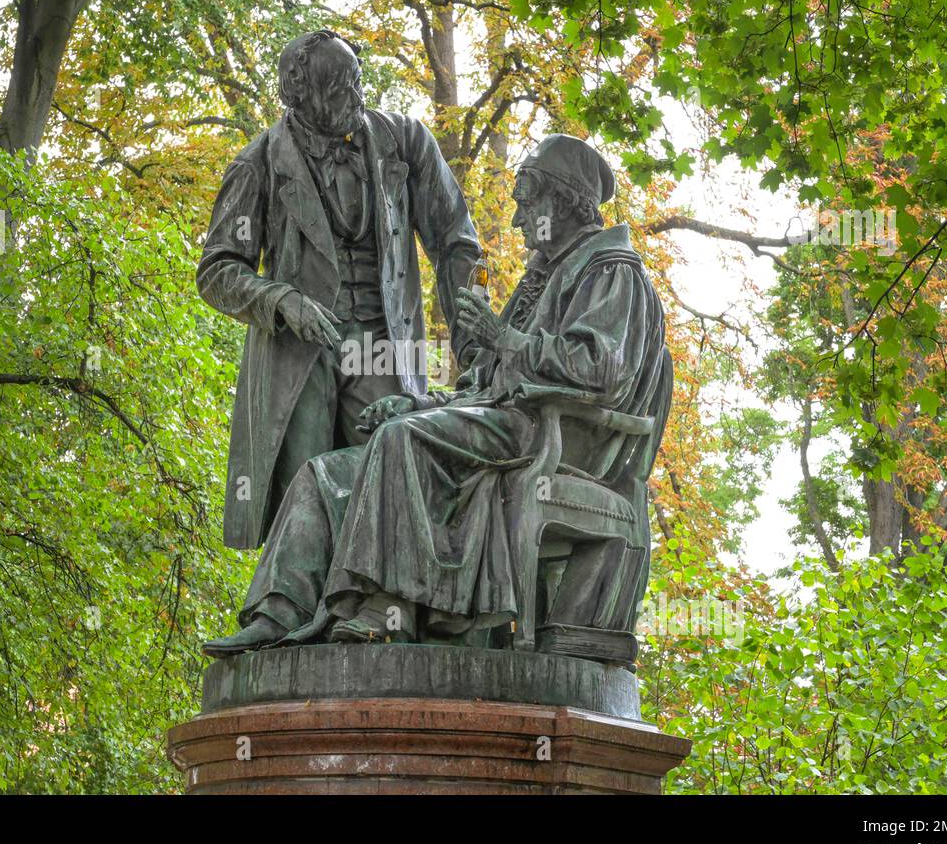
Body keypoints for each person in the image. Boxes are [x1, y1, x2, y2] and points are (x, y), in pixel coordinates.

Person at [204, 134, 669, 656]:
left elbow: (601, 366)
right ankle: (279, 610)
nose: (518, 222)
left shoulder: (612, 271)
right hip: (501, 425)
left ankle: (386, 609)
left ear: (560, 200)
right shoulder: (541, 278)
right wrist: (419, 403)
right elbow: (481, 385)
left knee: (402, 441)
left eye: (526, 204)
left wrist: (504, 339)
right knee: (328, 471)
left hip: (559, 436)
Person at [197, 30, 481, 550]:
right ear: (299, 95)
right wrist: (281, 300)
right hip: (299, 357)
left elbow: (456, 243)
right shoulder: (257, 163)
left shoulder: (406, 141)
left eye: (358, 82)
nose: (358, 98)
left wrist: (475, 344)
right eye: (342, 88)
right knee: (304, 498)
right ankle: (296, 620)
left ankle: (379, 617)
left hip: (383, 347)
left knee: (396, 480)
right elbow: (217, 270)